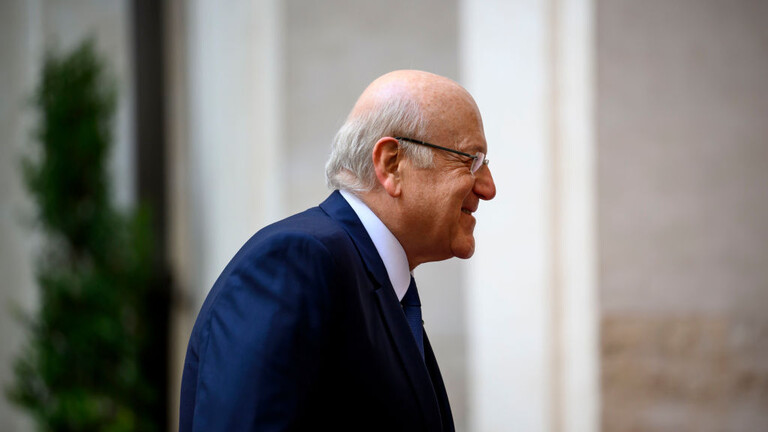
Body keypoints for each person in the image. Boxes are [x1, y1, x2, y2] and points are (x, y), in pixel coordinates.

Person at [179, 70, 496, 431]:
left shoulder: (380, 283)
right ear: (391, 164)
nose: (488, 188)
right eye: (471, 160)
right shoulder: (293, 262)